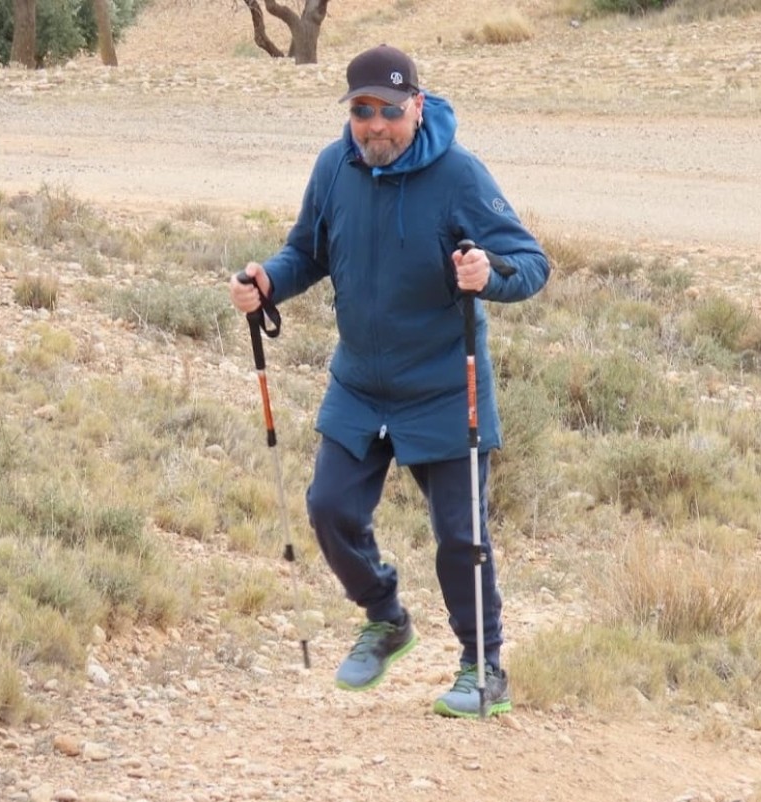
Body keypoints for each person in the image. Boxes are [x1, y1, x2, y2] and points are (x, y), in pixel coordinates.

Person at [228, 43, 550, 718]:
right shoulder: (333, 167)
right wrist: (267, 282)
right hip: (360, 384)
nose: (376, 125)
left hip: (441, 385)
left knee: (461, 536)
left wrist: (488, 274)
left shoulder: (459, 174)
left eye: (389, 111)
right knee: (329, 507)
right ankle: (385, 616)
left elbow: (529, 261)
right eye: (362, 111)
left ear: (417, 106)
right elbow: (305, 253)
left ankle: (483, 665)